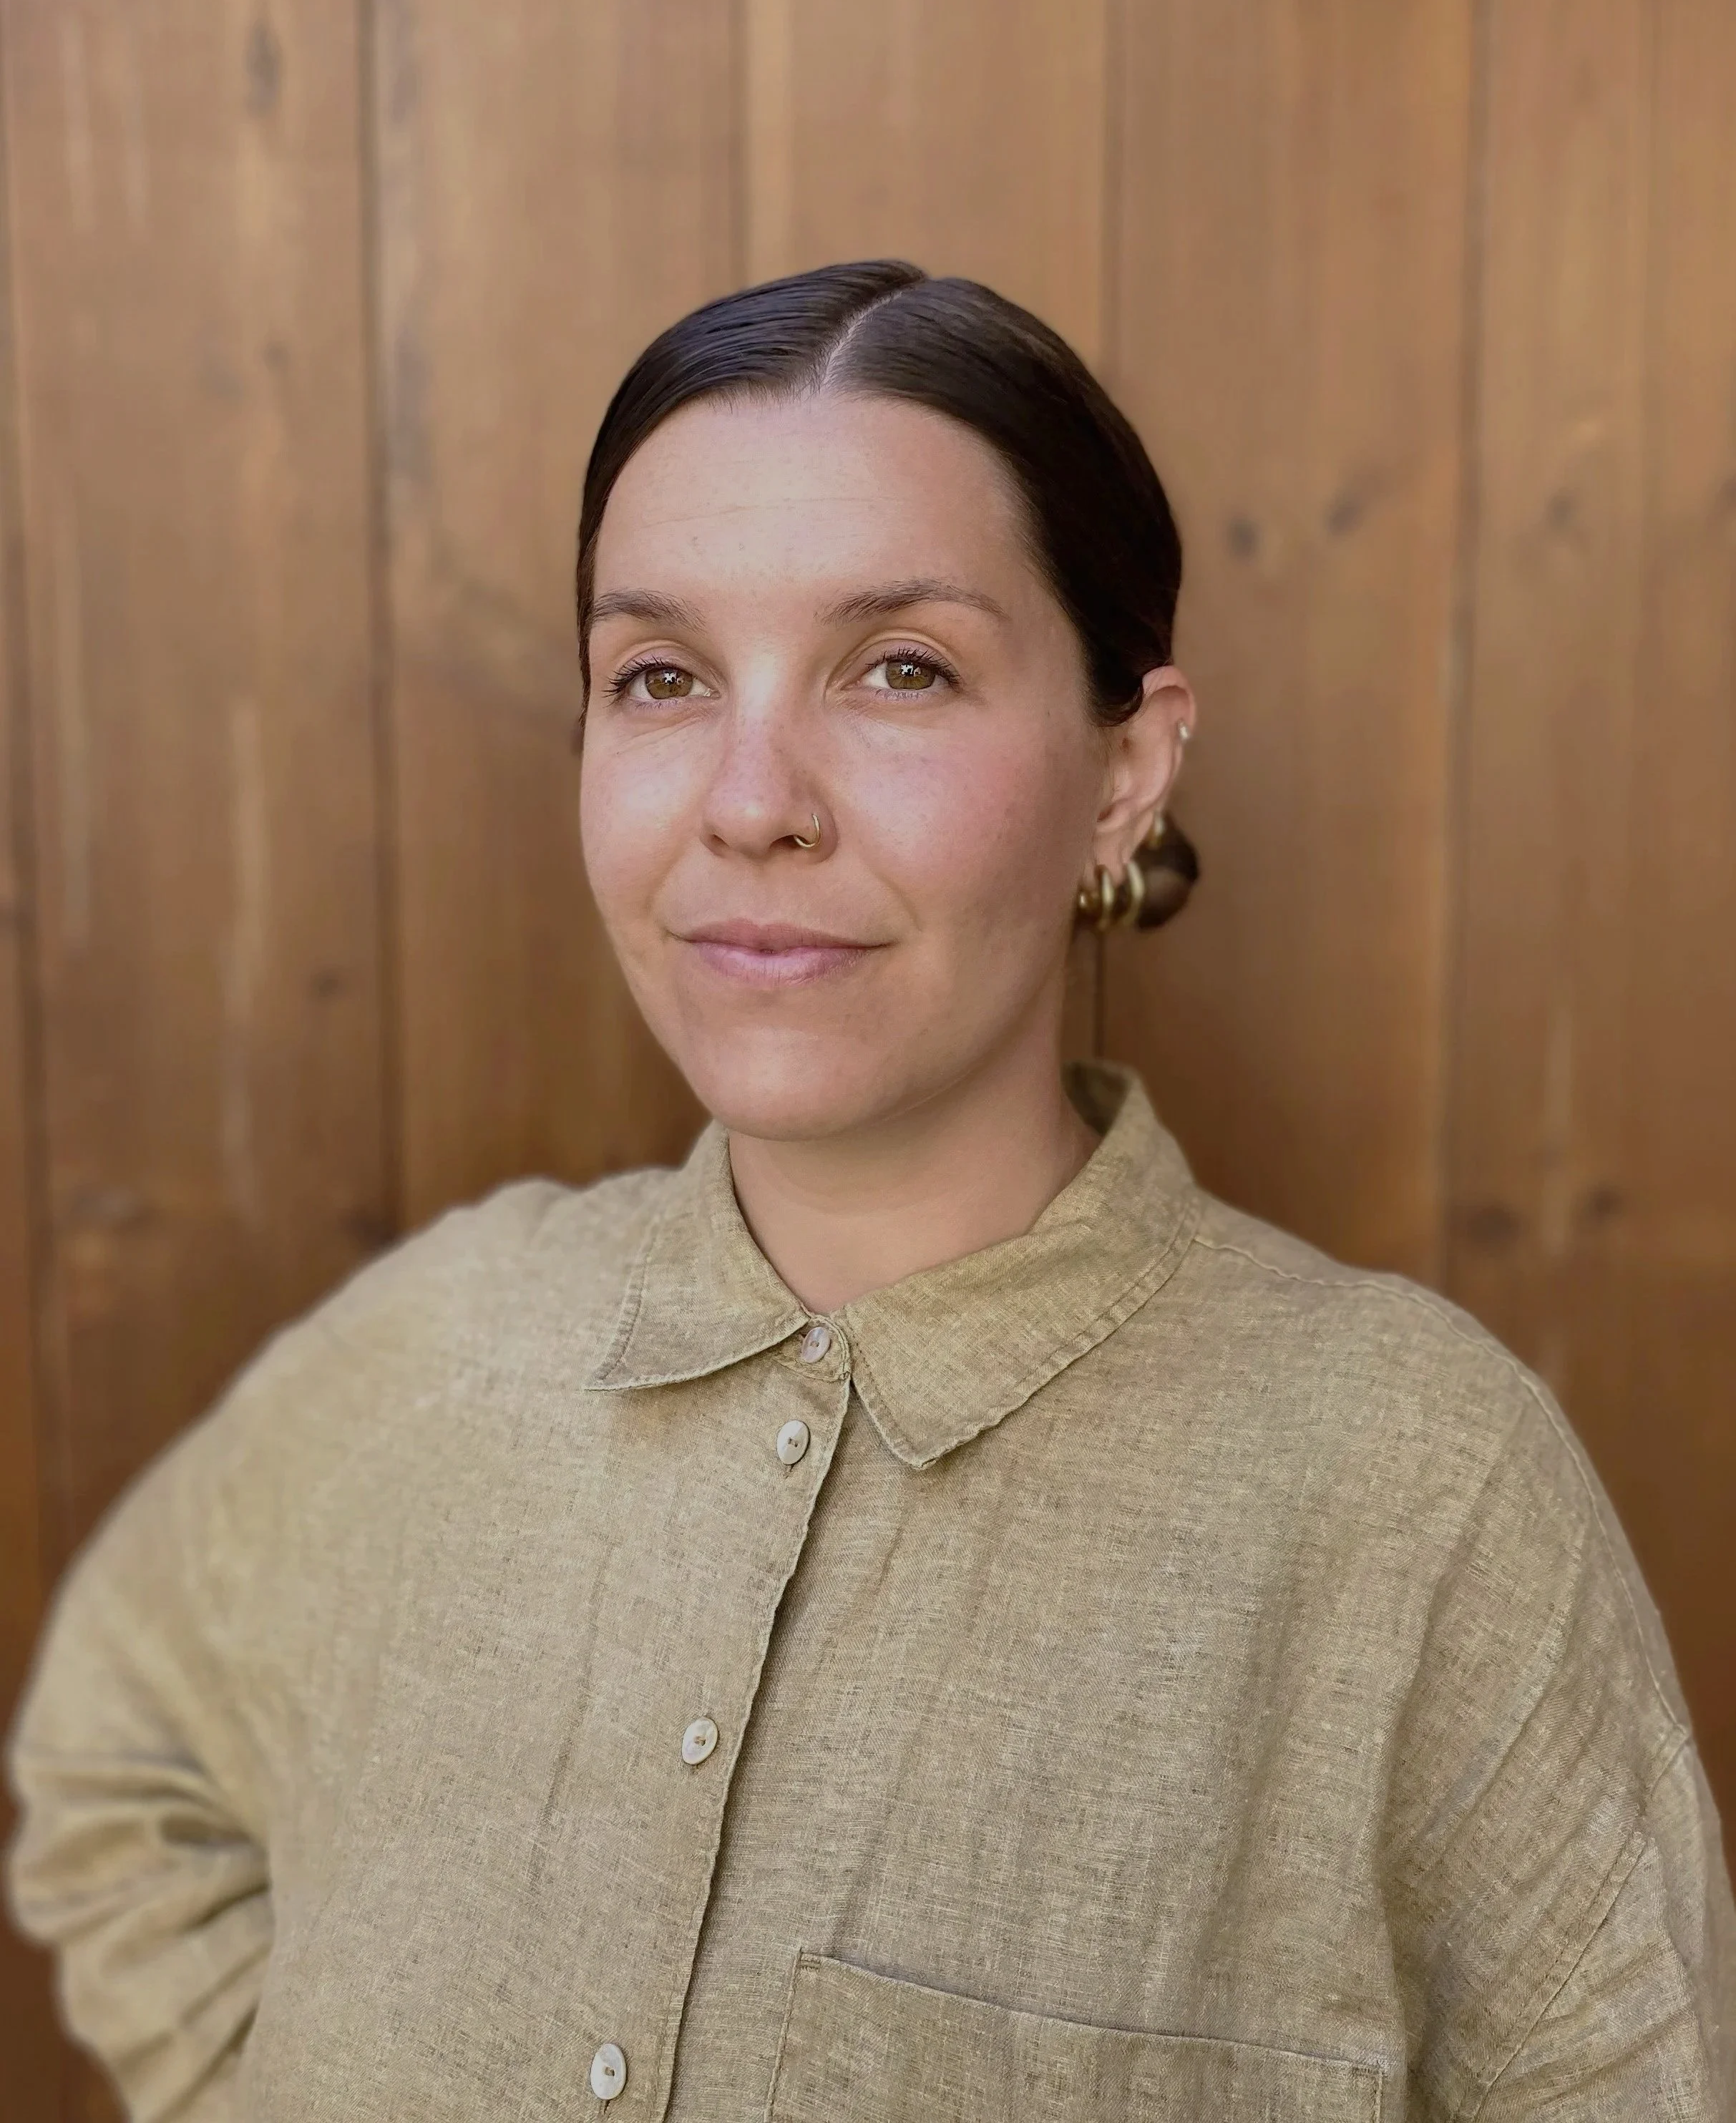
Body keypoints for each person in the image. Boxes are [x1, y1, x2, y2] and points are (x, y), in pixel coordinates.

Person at [6, 259, 1733, 2122]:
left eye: (900, 667)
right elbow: (114, 1774)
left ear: (1122, 776)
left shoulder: (1424, 1497)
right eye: (659, 677)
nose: (752, 800)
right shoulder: (430, 1349)